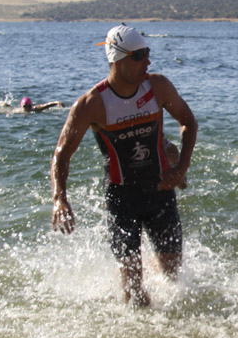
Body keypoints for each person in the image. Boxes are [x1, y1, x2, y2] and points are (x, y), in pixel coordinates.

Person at [51, 24, 197, 306]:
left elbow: (189, 122)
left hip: (159, 191)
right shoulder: (92, 104)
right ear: (117, 59)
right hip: (121, 199)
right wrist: (60, 198)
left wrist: (181, 169)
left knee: (173, 274)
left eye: (148, 53)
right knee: (134, 291)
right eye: (139, 55)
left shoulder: (158, 87)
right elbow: (61, 154)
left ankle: (153, 267)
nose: (148, 61)